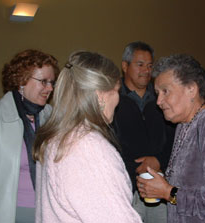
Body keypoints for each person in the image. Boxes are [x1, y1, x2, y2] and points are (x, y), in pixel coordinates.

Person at [33, 51, 143, 223]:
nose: (117, 99)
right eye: (116, 91)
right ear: (100, 95)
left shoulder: (53, 136)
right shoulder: (89, 148)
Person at [137, 54, 205, 222]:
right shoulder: (183, 125)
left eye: (165, 91)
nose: (159, 101)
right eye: (157, 93)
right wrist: (159, 185)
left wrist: (167, 192)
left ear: (191, 89)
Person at [0, 49, 59, 223]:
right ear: (21, 81)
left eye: (52, 82)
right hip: (7, 213)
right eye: (43, 81)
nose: (50, 88)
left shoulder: (54, 118)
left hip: (49, 212)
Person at [112, 41, 175, 223]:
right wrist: (135, 168)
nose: (147, 71)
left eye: (150, 66)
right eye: (140, 65)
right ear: (125, 66)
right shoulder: (112, 99)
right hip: (126, 190)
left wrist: (158, 161)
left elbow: (175, 141)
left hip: (161, 188)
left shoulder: (162, 100)